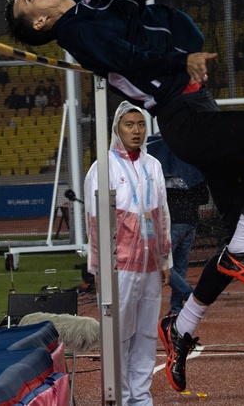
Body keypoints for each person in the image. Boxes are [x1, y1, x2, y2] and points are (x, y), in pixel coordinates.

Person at [5, 0, 244, 392]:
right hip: (185, 119)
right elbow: (130, 58)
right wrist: (181, 59)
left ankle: (183, 327)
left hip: (199, 108)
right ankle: (239, 248)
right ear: (40, 20)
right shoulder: (77, 32)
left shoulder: (93, 2)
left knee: (241, 240)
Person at [84, 101, 171, 406]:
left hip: (149, 266)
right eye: (129, 125)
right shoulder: (103, 168)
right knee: (118, 334)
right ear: (117, 129)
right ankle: (117, 398)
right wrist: (97, 268)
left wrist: (164, 259)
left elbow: (162, 216)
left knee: (146, 334)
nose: (136, 131)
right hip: (118, 267)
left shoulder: (154, 166)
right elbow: (94, 222)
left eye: (141, 124)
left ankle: (141, 398)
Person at [147, 132, 209, 316]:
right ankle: (176, 308)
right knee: (180, 267)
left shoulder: (158, 172)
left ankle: (190, 295)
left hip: (172, 224)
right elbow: (204, 198)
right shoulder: (192, 168)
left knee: (162, 263)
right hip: (190, 222)